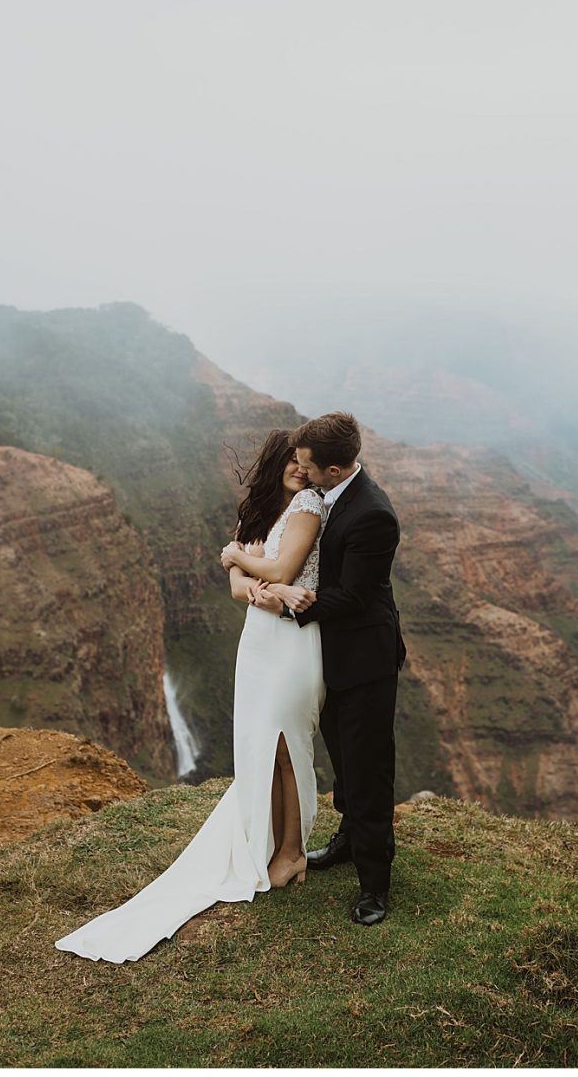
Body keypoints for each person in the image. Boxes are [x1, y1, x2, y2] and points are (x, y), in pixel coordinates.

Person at [56, 429, 326, 962]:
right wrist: (263, 587)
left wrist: (246, 566)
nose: (299, 470)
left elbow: (286, 572)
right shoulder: (257, 517)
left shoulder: (310, 507)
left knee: (287, 746)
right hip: (260, 640)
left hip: (297, 643)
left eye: (305, 463)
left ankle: (292, 852)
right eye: (291, 462)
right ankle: (275, 843)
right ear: (276, 463)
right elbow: (239, 590)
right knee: (263, 746)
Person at [279, 411, 406, 927]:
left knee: (368, 769)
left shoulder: (373, 515)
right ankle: (348, 843)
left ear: (335, 470)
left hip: (364, 661)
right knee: (343, 761)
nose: (300, 471)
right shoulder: (329, 496)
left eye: (308, 465)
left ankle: (376, 884)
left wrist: (286, 603)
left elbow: (353, 595)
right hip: (328, 657)